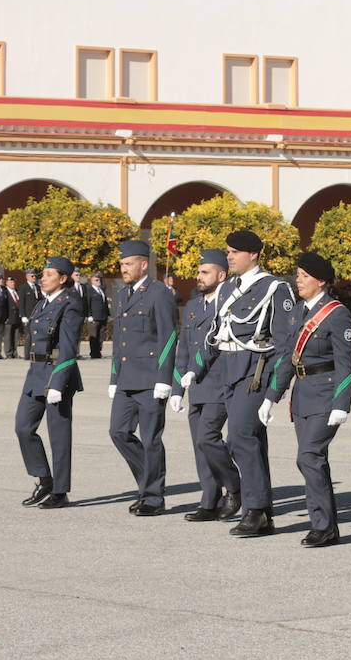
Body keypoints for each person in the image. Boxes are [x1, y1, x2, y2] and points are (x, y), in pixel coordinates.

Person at [199, 230, 299, 537]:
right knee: (251, 440)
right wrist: (194, 370)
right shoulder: (230, 286)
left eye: (235, 252)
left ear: (253, 255)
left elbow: (285, 344)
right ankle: (262, 510)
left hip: (255, 373)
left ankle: (254, 510)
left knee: (241, 436)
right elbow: (217, 333)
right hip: (229, 370)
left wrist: (275, 392)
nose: (229, 257)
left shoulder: (274, 288)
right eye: (228, 252)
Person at [260, 252, 351, 547]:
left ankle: (323, 526)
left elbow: (345, 363)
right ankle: (325, 523)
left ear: (321, 281)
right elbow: (288, 358)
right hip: (302, 395)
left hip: (326, 394)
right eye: (297, 276)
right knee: (311, 460)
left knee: (309, 457)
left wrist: (342, 403)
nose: (298, 281)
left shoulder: (336, 313)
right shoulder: (298, 311)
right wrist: (270, 397)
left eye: (304, 277)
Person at [167, 249, 243, 523]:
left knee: (206, 438)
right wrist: (177, 389)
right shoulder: (194, 306)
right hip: (196, 385)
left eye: (205, 272)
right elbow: (183, 349)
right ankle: (209, 500)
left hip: (221, 382)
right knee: (199, 446)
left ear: (221, 275)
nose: (198, 277)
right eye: (199, 272)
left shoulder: (231, 304)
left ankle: (234, 487)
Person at [108, 240, 179, 517]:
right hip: (127, 380)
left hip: (150, 380)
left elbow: (168, 337)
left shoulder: (159, 293)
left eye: (128, 264)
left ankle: (153, 497)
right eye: (122, 264)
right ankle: (148, 483)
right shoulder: (124, 295)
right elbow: (119, 342)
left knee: (150, 439)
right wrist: (114, 377)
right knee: (118, 432)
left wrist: (165, 378)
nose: (123, 269)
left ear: (143, 264)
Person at [15, 256, 84, 510]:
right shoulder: (41, 304)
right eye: (42, 274)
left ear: (63, 279)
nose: (42, 278)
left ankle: (60, 491)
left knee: (59, 436)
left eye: (48, 274)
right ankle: (45, 480)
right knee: (23, 427)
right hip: (36, 373)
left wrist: (58, 382)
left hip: (58, 374)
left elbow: (68, 348)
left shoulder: (70, 305)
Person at [84, 272, 109, 358]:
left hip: (103, 316)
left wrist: (108, 314)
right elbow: (87, 303)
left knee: (101, 335)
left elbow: (105, 303)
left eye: (99, 280)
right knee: (94, 336)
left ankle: (98, 351)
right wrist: (89, 315)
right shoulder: (89, 290)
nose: (99, 281)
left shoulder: (101, 289)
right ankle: (94, 353)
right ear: (92, 281)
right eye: (97, 280)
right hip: (94, 317)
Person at [20, 270, 42, 359]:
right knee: (28, 336)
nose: (34, 278)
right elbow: (21, 303)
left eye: (35, 276)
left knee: (36, 335)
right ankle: (27, 355)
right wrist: (23, 315)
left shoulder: (37, 287)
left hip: (37, 315)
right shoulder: (23, 287)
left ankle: (34, 353)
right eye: (32, 276)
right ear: (27, 277)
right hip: (28, 315)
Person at [4, 275, 24, 359]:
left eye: (14, 282)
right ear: (7, 283)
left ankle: (14, 352)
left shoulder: (16, 291)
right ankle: (8, 353)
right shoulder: (5, 292)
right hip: (9, 317)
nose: (13, 283)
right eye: (11, 282)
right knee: (8, 336)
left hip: (17, 317)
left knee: (15, 336)